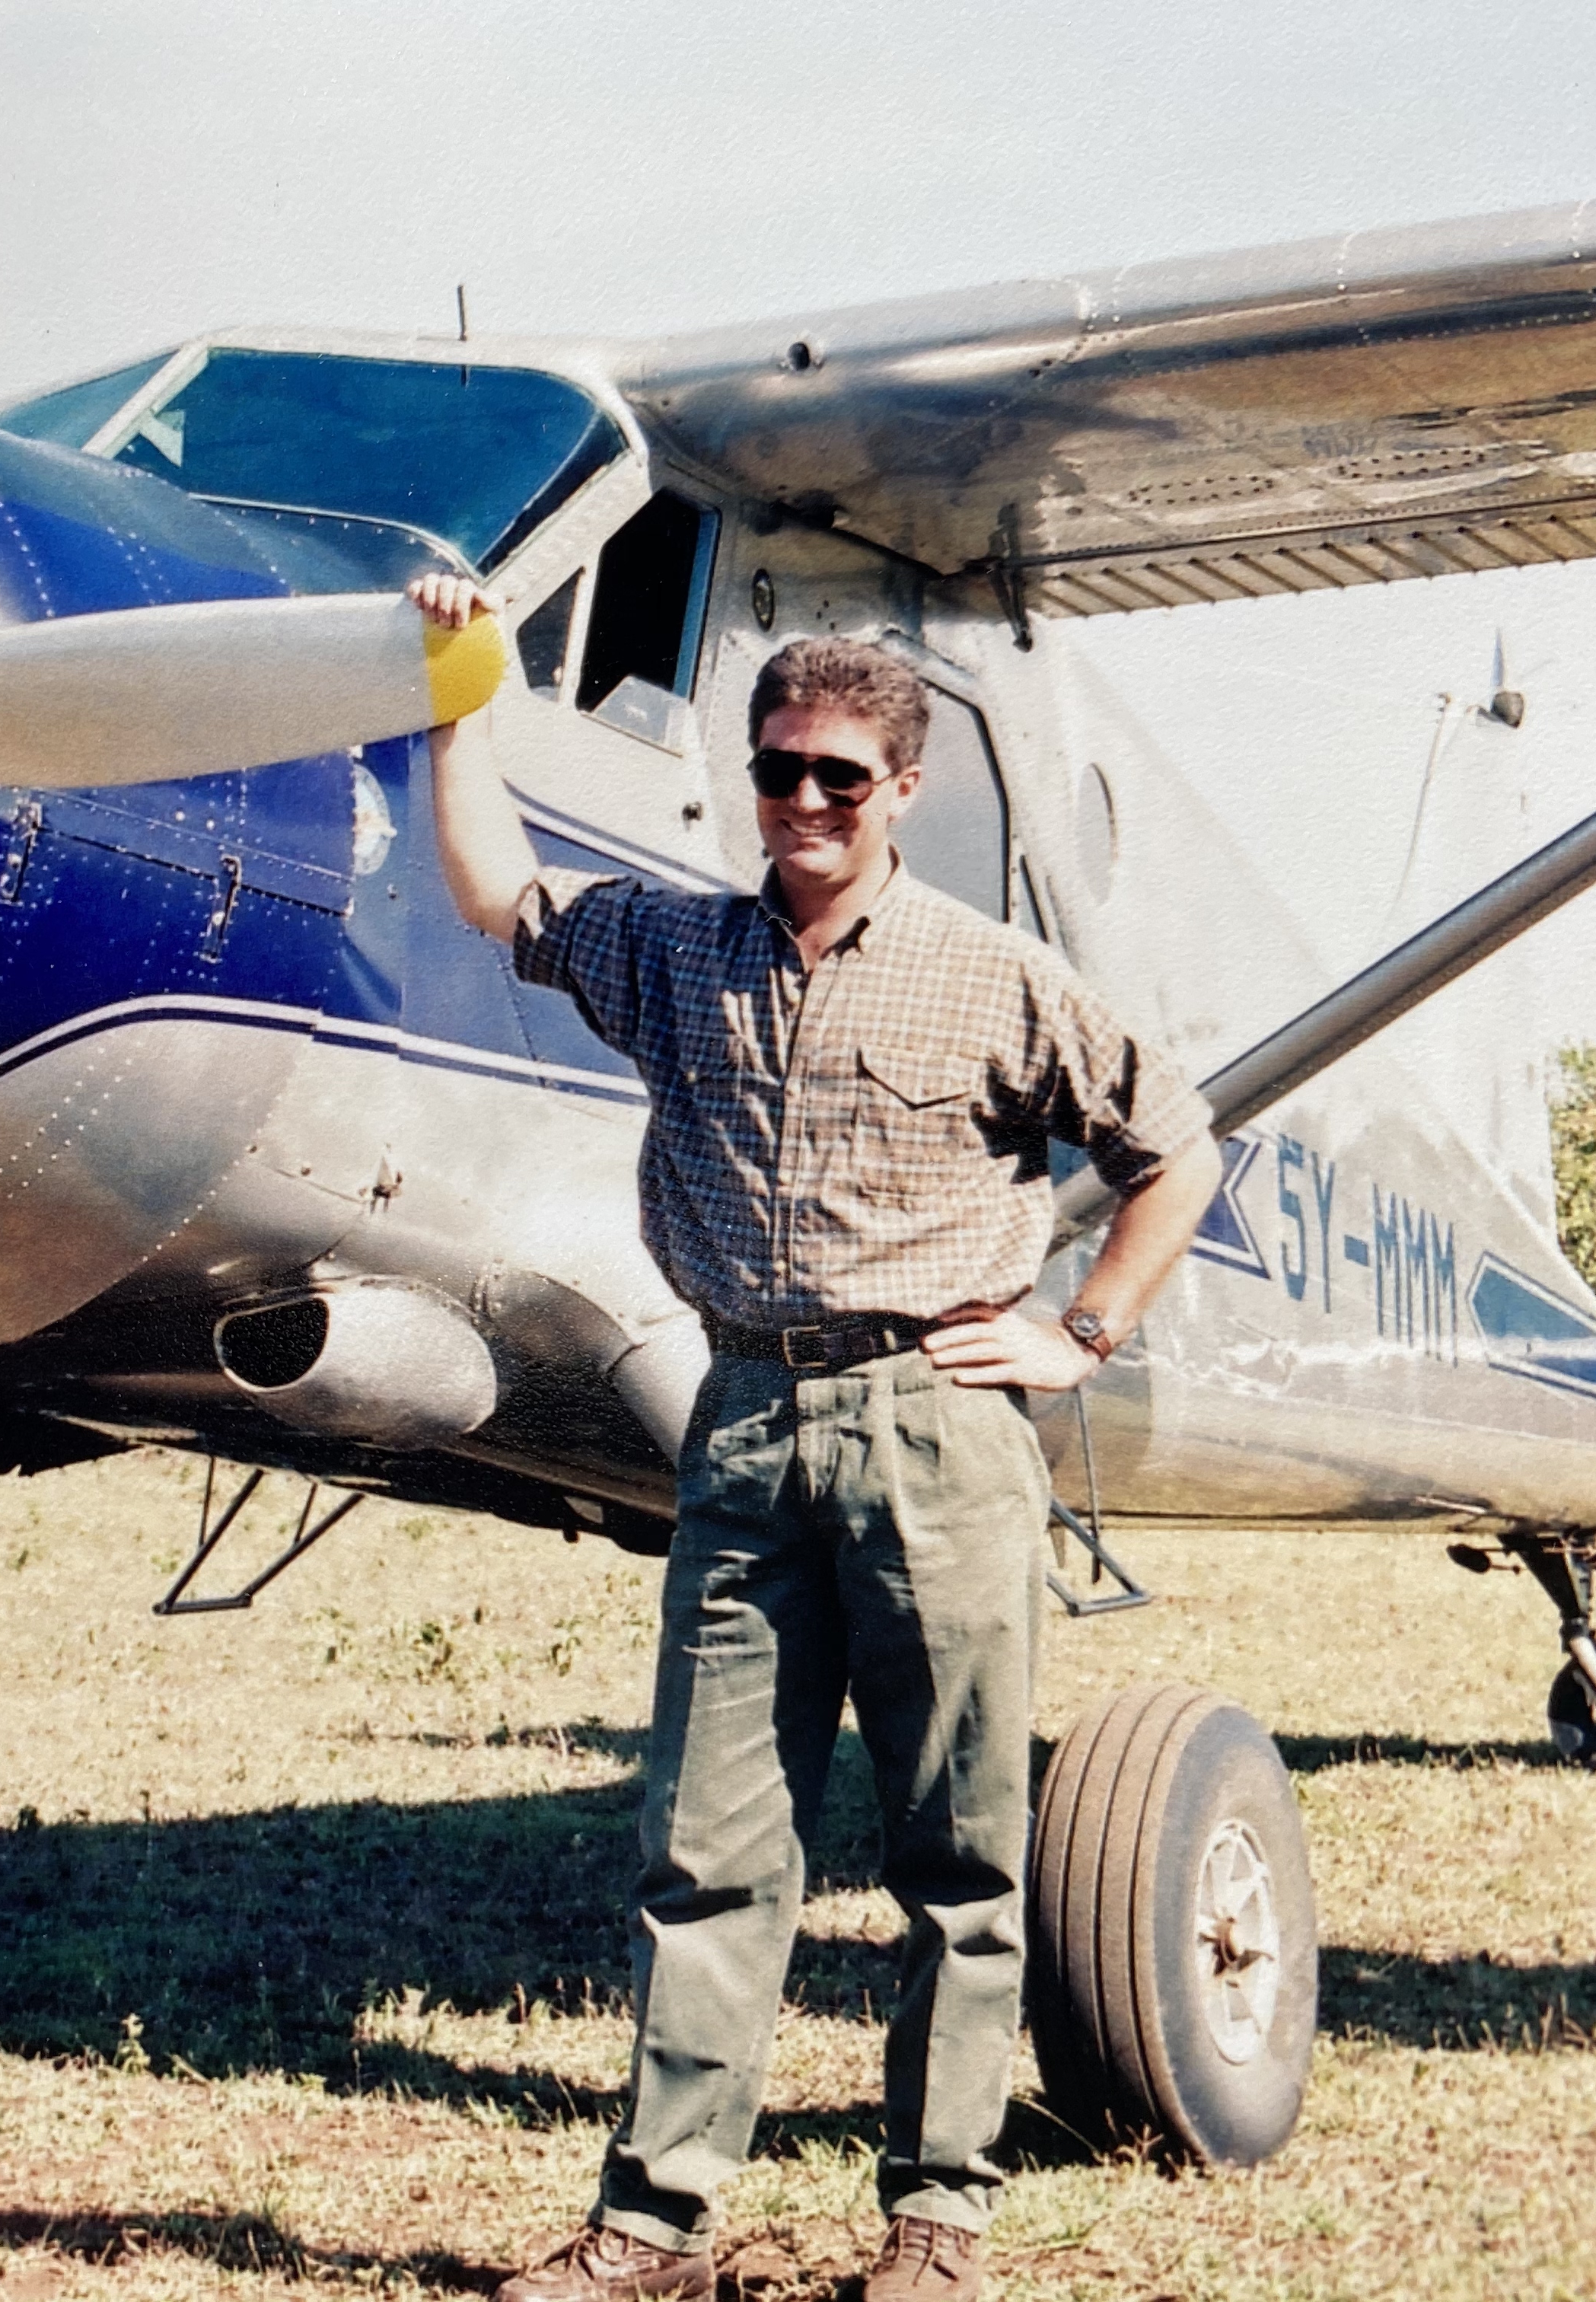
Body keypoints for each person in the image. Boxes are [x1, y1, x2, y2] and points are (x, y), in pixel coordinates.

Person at [409, 575, 1220, 2302]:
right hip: (743, 1419)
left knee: (957, 1846)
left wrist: (1081, 1331)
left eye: (843, 777)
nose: (805, 803)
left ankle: (936, 2220)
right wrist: (456, 694)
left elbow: (1178, 1148)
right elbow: (496, 893)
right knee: (706, 1849)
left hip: (938, 1427)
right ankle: (654, 2224)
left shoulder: (997, 978)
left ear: (903, 790)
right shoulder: (673, 949)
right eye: (780, 769)